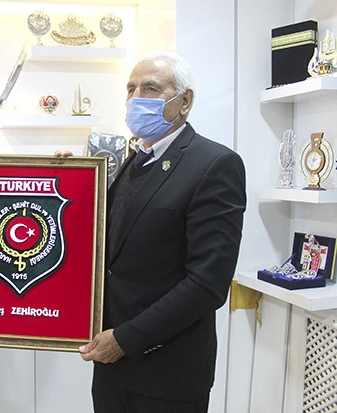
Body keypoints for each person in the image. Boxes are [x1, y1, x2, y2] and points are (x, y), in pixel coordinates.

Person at [79, 51, 246, 413]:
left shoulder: (215, 165)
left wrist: (126, 339)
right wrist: (64, 179)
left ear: (185, 101)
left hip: (167, 373)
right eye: (131, 89)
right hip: (111, 369)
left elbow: (207, 284)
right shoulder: (131, 161)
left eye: (151, 88)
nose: (136, 98)